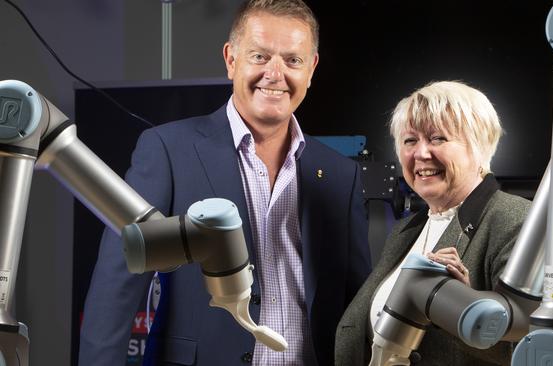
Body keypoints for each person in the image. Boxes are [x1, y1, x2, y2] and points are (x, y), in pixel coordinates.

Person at [78, 1, 371, 365]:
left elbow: (358, 305)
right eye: (260, 56)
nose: (275, 74)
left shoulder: (340, 174)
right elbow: (115, 285)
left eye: (292, 60)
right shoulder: (169, 150)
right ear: (231, 59)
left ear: (311, 69)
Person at [335, 81, 531, 366]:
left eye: (438, 138)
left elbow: (530, 346)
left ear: (478, 146)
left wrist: (459, 307)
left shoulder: (515, 220)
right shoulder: (407, 230)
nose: (421, 154)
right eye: (410, 141)